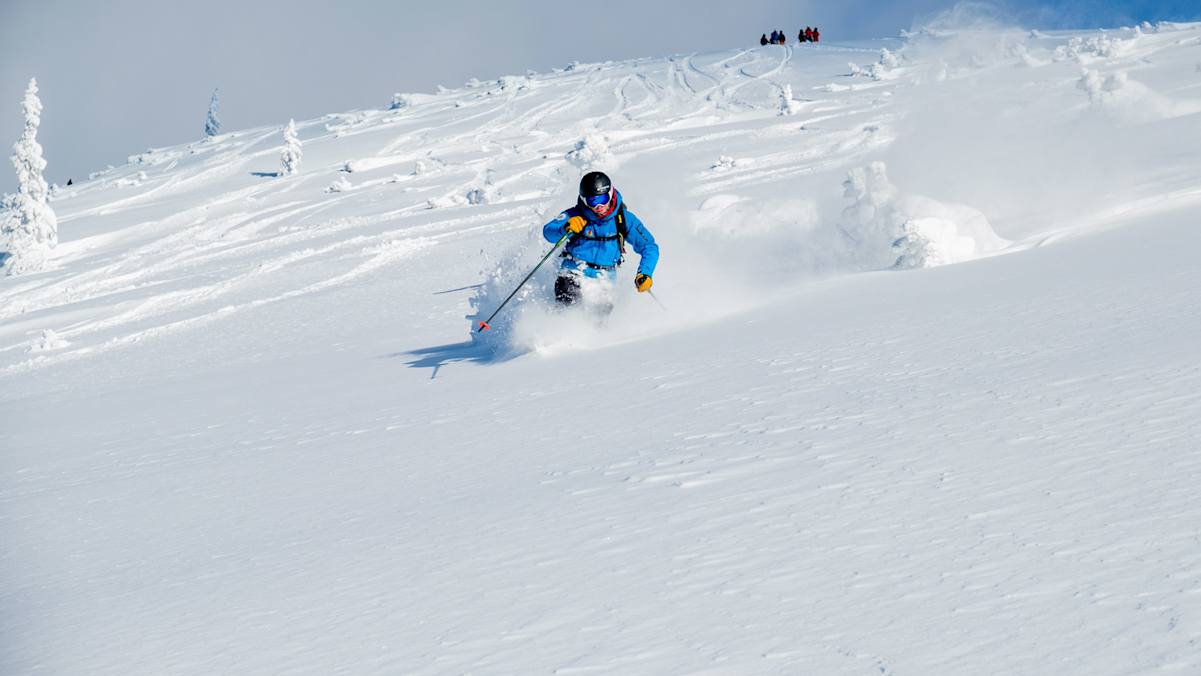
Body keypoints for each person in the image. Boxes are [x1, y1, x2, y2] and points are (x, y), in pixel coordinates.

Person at [542, 171, 659, 307]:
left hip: (604, 279)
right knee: (568, 303)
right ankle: (560, 324)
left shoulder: (623, 219)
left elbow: (649, 247)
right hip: (574, 271)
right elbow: (548, 232)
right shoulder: (574, 215)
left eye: (603, 199)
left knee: (599, 320)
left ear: (610, 194)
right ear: (584, 200)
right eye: (593, 201)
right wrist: (564, 228)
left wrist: (645, 273)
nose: (599, 206)